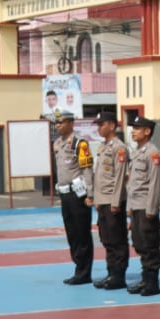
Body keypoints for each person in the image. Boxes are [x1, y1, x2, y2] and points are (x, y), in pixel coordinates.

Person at [124, 117, 160, 296]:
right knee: (139, 243)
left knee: (150, 245)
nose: (133, 131)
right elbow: (132, 184)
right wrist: (129, 207)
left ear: (147, 131)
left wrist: (151, 209)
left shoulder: (152, 152)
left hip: (146, 207)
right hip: (136, 206)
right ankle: (145, 279)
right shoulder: (136, 152)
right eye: (133, 128)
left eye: (137, 128)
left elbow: (155, 183)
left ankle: (152, 283)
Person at [53, 112, 95, 286]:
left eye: (61, 122)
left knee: (81, 232)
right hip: (65, 193)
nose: (57, 125)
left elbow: (87, 169)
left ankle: (84, 272)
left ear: (71, 123)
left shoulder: (80, 143)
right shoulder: (58, 143)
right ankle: (78, 267)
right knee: (71, 233)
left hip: (78, 193)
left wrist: (90, 194)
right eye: (56, 123)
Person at [90, 112, 130, 288]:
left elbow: (120, 177)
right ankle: (111, 272)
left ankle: (118, 275)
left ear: (112, 126)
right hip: (103, 200)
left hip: (113, 201)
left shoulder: (119, 148)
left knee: (117, 239)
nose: (98, 128)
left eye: (101, 124)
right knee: (106, 238)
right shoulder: (102, 146)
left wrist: (116, 202)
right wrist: (97, 199)